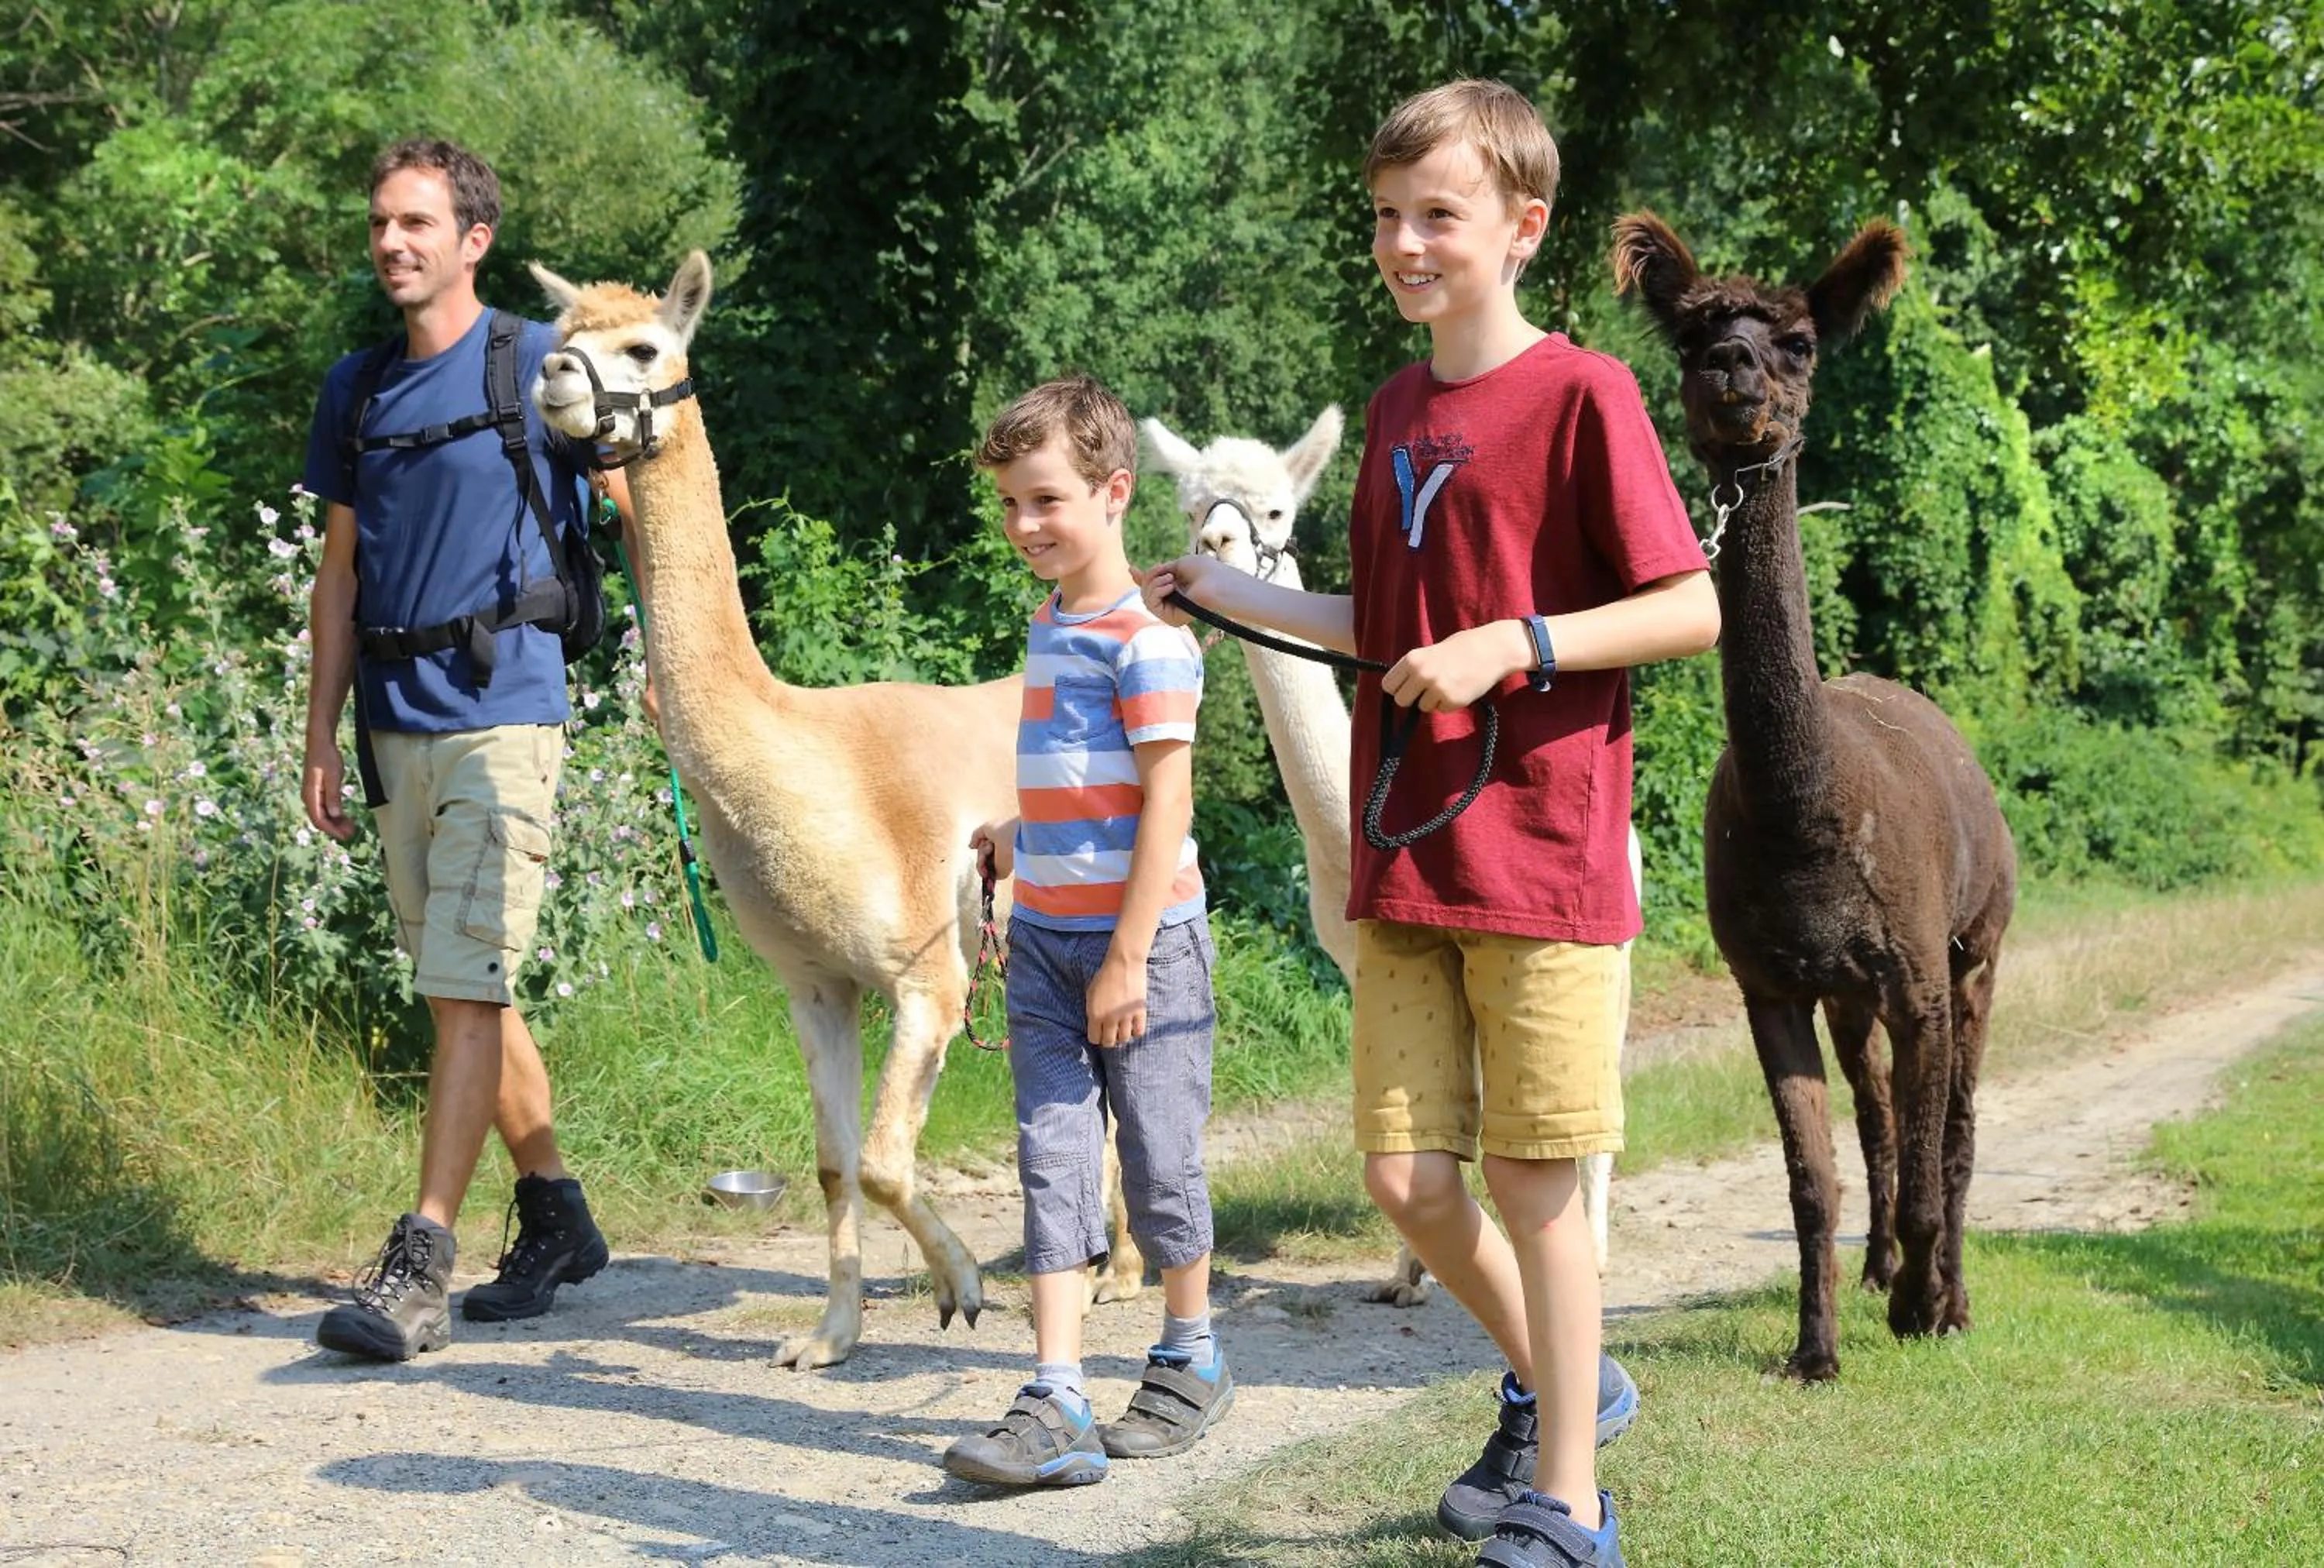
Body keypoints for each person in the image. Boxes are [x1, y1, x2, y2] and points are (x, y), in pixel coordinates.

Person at [1140, 81, 1721, 1568]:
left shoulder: (1585, 395)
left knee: (1533, 1183)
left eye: (1438, 215)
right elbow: (1384, 622)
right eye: (1388, 216)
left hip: (1540, 858)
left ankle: (1570, 1500)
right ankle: (1566, 1382)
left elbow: (1688, 607)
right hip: (1404, 859)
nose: (1405, 242)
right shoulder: (1399, 410)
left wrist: (1513, 646)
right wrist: (1222, 592)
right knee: (1405, 1182)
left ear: (1523, 227)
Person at [299, 137, 631, 1362]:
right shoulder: (358, 388)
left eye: (417, 223)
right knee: (460, 987)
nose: (391, 242)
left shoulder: (539, 362)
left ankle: (419, 1264)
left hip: (507, 711)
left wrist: (669, 665)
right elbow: (339, 577)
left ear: (473, 239)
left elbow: (641, 505)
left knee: (469, 981)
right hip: (396, 723)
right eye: (381, 222)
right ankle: (555, 1212)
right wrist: (321, 729)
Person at [943, 375, 1231, 1488]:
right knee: (1053, 1161)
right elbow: (1087, 777)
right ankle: (1056, 1396)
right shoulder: (1050, 625)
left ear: (1114, 493)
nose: (1025, 524)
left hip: (1142, 951)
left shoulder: (1147, 644)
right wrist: (1024, 835)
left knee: (1158, 1161)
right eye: (1011, 504)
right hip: (1046, 944)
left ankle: (1191, 1354)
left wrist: (1125, 957)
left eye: (1047, 500)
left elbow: (1168, 803)